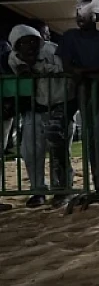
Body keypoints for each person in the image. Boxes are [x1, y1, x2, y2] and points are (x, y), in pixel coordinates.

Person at [58, 10, 99, 202]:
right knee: (90, 135)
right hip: (83, 93)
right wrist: (97, 75)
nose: (81, 17)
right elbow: (67, 66)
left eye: (86, 14)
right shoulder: (70, 37)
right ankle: (98, 180)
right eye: (78, 13)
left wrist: (85, 73)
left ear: (96, 17)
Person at [8, 24, 76, 208]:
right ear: (16, 45)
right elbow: (18, 71)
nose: (29, 46)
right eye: (23, 43)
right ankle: (38, 190)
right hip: (35, 108)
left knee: (59, 151)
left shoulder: (53, 50)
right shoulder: (14, 58)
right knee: (29, 151)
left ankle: (62, 191)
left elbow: (65, 71)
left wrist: (38, 67)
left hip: (60, 104)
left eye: (32, 41)